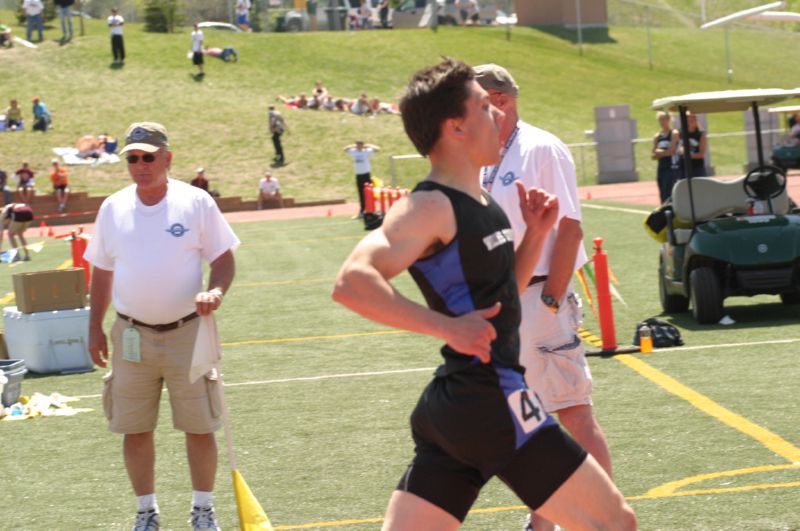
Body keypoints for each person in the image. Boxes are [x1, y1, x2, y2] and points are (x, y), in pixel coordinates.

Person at [332, 58, 636, 531]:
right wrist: (446, 327)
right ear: (455, 126)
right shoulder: (429, 205)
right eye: (483, 107)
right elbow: (352, 282)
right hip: (492, 401)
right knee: (614, 523)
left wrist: (535, 237)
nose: (498, 115)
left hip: (456, 408)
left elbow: (502, 301)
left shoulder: (483, 201)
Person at [474, 63, 616, 531]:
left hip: (537, 297)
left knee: (572, 412)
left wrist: (552, 298)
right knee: (529, 417)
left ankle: (603, 519)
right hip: (506, 302)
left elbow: (569, 225)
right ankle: (545, 521)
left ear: (500, 100)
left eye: (474, 100)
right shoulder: (487, 151)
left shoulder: (540, 148)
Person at [85, 121, 240, 531]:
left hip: (189, 331)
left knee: (199, 427)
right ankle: (146, 511)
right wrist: (94, 327)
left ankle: (203, 509)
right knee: (134, 430)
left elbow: (223, 259)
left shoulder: (196, 202)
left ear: (167, 158)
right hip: (130, 334)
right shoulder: (112, 208)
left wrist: (216, 292)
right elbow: (100, 270)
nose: (140, 165)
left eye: (148, 157)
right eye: (132, 158)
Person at [343, 140, 379, 218]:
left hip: (366, 175)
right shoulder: (354, 151)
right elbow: (345, 149)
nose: (359, 146)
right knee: (361, 194)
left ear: (363, 145)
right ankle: (362, 211)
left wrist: (367, 145)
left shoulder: (366, 151)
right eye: (358, 145)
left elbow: (377, 149)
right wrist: (353, 146)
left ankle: (371, 210)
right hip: (359, 175)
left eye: (360, 145)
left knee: (369, 194)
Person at [651, 111, 679, 203]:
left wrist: (660, 152)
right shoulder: (657, 136)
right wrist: (662, 153)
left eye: (664, 119)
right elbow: (653, 155)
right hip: (661, 168)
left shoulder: (673, 133)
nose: (662, 122)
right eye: (660, 120)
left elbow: (672, 151)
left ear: (669, 120)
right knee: (662, 193)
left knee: (670, 193)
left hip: (671, 167)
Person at [680, 111, 707, 178]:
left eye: (692, 118)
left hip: (697, 168)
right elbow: (680, 150)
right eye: (688, 118)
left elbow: (701, 154)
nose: (690, 120)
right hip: (684, 167)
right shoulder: (681, 134)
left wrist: (687, 155)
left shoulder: (701, 135)